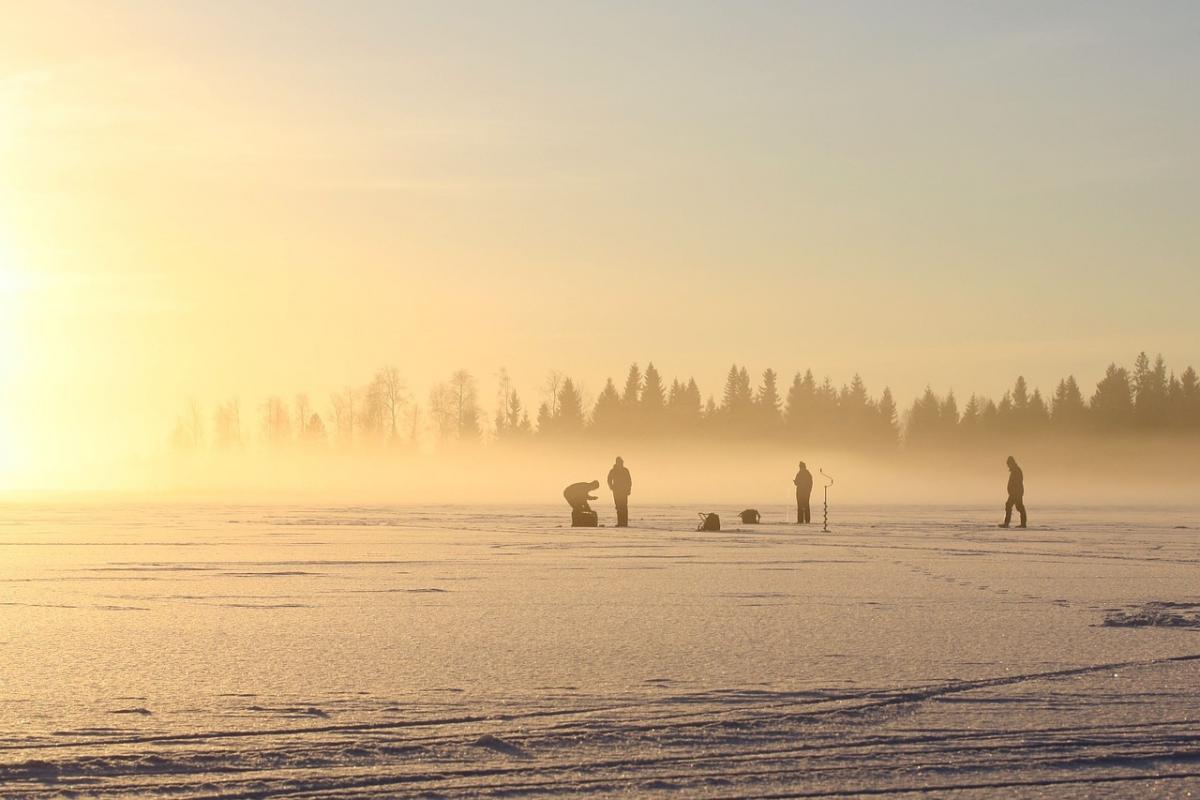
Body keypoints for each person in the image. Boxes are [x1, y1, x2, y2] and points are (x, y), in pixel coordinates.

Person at [999, 456, 1027, 528]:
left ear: (1011, 463)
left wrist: (1013, 491)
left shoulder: (1016, 471)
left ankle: (1007, 523)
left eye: (1008, 464)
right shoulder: (1015, 470)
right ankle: (1022, 524)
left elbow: (1017, 482)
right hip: (1016, 492)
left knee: (1010, 505)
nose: (1007, 465)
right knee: (1018, 506)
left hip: (1016, 492)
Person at [606, 457, 632, 527]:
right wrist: (611, 487)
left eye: (621, 462)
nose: (621, 463)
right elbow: (609, 479)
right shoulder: (613, 470)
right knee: (618, 507)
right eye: (620, 462)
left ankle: (624, 523)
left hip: (624, 491)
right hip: (616, 491)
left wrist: (629, 489)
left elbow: (629, 481)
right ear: (617, 463)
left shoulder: (625, 470)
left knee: (624, 507)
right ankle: (620, 522)